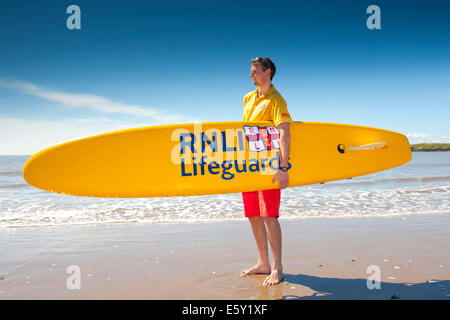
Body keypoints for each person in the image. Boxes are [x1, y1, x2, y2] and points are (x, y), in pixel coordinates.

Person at [240, 57, 292, 287]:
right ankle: (263, 263)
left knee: (269, 216)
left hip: (269, 166)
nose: (251, 76)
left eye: (255, 72)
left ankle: (278, 268)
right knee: (253, 215)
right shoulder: (248, 98)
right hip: (249, 166)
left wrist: (283, 167)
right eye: (251, 72)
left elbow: (284, 133)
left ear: (268, 72)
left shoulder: (277, 100)